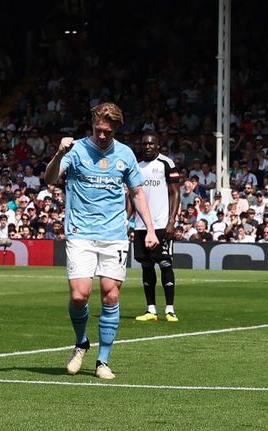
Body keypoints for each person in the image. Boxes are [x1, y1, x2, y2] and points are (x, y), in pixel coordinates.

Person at [44, 102, 159, 380]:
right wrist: (59, 154)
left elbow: (137, 193)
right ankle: (81, 342)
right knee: (79, 295)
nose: (102, 135)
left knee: (110, 294)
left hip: (114, 236)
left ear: (116, 128)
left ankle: (102, 361)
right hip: (80, 233)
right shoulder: (76, 150)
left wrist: (151, 229)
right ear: (92, 125)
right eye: (98, 129)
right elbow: (49, 178)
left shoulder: (126, 155)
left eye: (107, 131)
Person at [131, 131, 181, 323]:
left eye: (151, 144)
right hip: (141, 225)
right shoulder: (136, 166)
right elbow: (132, 195)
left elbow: (175, 193)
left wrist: (171, 222)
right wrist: (128, 221)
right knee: (146, 265)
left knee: (165, 263)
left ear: (158, 146)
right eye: (145, 144)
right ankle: (151, 309)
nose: (148, 147)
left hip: (161, 223)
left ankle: (170, 309)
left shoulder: (166, 164)